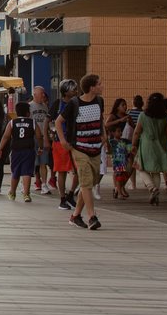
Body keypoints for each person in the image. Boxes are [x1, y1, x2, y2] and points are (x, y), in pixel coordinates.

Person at [55, 73, 105, 230]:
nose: (102, 86)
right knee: (85, 182)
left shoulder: (99, 101)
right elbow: (58, 121)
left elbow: (100, 119)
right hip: (79, 148)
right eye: (99, 84)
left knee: (91, 182)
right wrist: (63, 141)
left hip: (95, 148)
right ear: (92, 87)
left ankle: (75, 215)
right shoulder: (74, 103)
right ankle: (92, 217)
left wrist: (104, 135)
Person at [130, 93, 167, 206]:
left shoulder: (143, 115)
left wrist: (133, 145)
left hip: (146, 146)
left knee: (140, 168)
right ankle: (156, 195)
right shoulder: (166, 117)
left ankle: (152, 188)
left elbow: (137, 132)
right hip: (161, 146)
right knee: (156, 171)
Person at [0, 102, 41, 203]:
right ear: (28, 113)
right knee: (27, 172)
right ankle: (26, 194)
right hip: (29, 150)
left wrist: (0, 149)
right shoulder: (33, 122)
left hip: (16, 150)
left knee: (15, 172)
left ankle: (12, 192)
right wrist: (41, 147)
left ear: (17, 112)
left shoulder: (12, 122)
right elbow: (39, 136)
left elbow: (6, 136)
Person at [49, 79, 79, 210]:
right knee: (62, 171)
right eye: (73, 89)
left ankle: (71, 194)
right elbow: (49, 121)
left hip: (75, 140)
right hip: (59, 141)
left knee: (79, 170)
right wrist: (47, 137)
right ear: (66, 91)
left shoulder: (77, 103)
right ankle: (62, 198)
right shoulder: (57, 104)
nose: (76, 91)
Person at [104, 98, 131, 199]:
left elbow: (134, 126)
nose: (125, 107)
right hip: (116, 143)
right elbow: (106, 124)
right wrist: (120, 120)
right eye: (122, 105)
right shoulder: (113, 116)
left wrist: (129, 120)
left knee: (126, 166)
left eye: (125, 105)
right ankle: (118, 188)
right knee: (118, 167)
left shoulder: (126, 116)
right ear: (117, 107)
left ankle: (120, 187)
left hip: (124, 142)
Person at [29, 87, 52, 195]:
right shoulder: (29, 106)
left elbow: (47, 122)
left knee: (44, 162)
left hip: (43, 137)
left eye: (43, 93)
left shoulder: (45, 107)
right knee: (31, 162)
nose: (43, 96)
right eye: (41, 93)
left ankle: (44, 184)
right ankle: (25, 183)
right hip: (33, 138)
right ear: (35, 94)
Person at [124, 95, 144, 190]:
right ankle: (146, 182)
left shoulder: (129, 112)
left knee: (131, 161)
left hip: (130, 140)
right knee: (143, 160)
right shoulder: (144, 113)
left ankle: (133, 184)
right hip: (142, 139)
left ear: (133, 102)